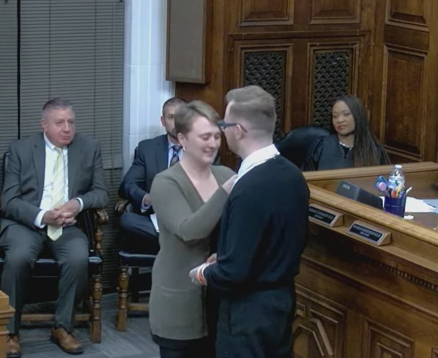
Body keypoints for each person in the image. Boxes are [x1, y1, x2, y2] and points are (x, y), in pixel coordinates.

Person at [190, 85, 310, 357]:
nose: (222, 130)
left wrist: (203, 273)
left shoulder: (247, 187)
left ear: (239, 130)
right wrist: (227, 256)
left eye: (224, 124)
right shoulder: (293, 175)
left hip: (247, 313)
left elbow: (235, 273)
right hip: (281, 303)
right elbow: (282, 240)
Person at [0, 98, 108, 357]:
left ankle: (63, 327)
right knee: (17, 258)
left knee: (79, 258)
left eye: (71, 121)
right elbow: (9, 201)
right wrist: (42, 216)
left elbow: (101, 194)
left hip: (68, 225)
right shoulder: (21, 150)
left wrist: (77, 203)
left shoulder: (89, 147)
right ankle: (10, 332)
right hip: (27, 223)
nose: (67, 128)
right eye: (60, 123)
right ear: (44, 125)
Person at [148, 100, 236, 358]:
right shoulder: (165, 182)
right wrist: (226, 192)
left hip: (219, 298)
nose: (212, 144)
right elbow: (189, 231)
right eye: (204, 137)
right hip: (179, 301)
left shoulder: (224, 174)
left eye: (217, 136)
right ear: (183, 139)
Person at [118, 97, 187, 254]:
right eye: (171, 117)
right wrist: (148, 198)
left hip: (189, 219)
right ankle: (177, 242)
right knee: (127, 220)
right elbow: (127, 186)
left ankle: (176, 240)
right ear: (162, 121)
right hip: (155, 221)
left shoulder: (200, 147)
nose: (176, 122)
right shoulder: (147, 148)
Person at [303, 95, 389, 171]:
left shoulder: (374, 150)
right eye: (335, 116)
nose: (339, 120)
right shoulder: (321, 146)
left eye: (346, 114)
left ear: (358, 116)